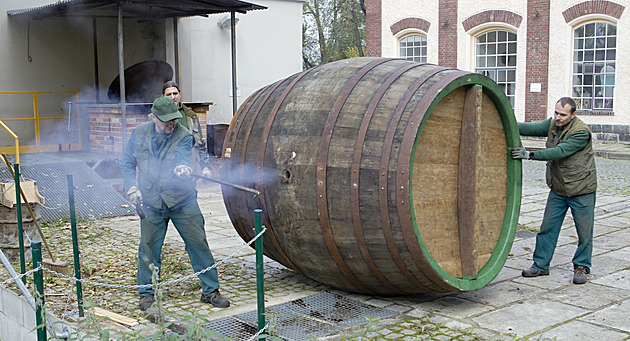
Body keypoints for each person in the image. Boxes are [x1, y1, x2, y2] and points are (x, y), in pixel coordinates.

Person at [120, 96, 230, 311]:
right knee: (148, 249)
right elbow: (127, 162)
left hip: (182, 201)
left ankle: (210, 290)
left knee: (198, 242)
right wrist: (131, 187)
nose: (172, 124)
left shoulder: (183, 134)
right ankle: (147, 293)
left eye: (174, 119)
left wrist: (182, 168)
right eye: (166, 121)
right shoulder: (139, 133)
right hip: (152, 202)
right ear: (153, 118)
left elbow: (182, 156)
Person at [510, 97, 597, 285]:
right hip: (559, 189)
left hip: (582, 189)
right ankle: (540, 265)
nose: (557, 117)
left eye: (562, 114)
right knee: (547, 228)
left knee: (584, 232)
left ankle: (581, 266)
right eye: (556, 112)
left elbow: (559, 151)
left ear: (573, 115)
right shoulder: (553, 124)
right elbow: (529, 128)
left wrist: (529, 154)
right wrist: (504, 119)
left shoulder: (581, 133)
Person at [162, 81, 211, 175]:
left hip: (188, 168)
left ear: (179, 95)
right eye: (169, 94)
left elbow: (199, 143)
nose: (173, 97)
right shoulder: (156, 118)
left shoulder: (191, 116)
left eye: (175, 93)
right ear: (163, 96)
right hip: (165, 170)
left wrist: (205, 166)